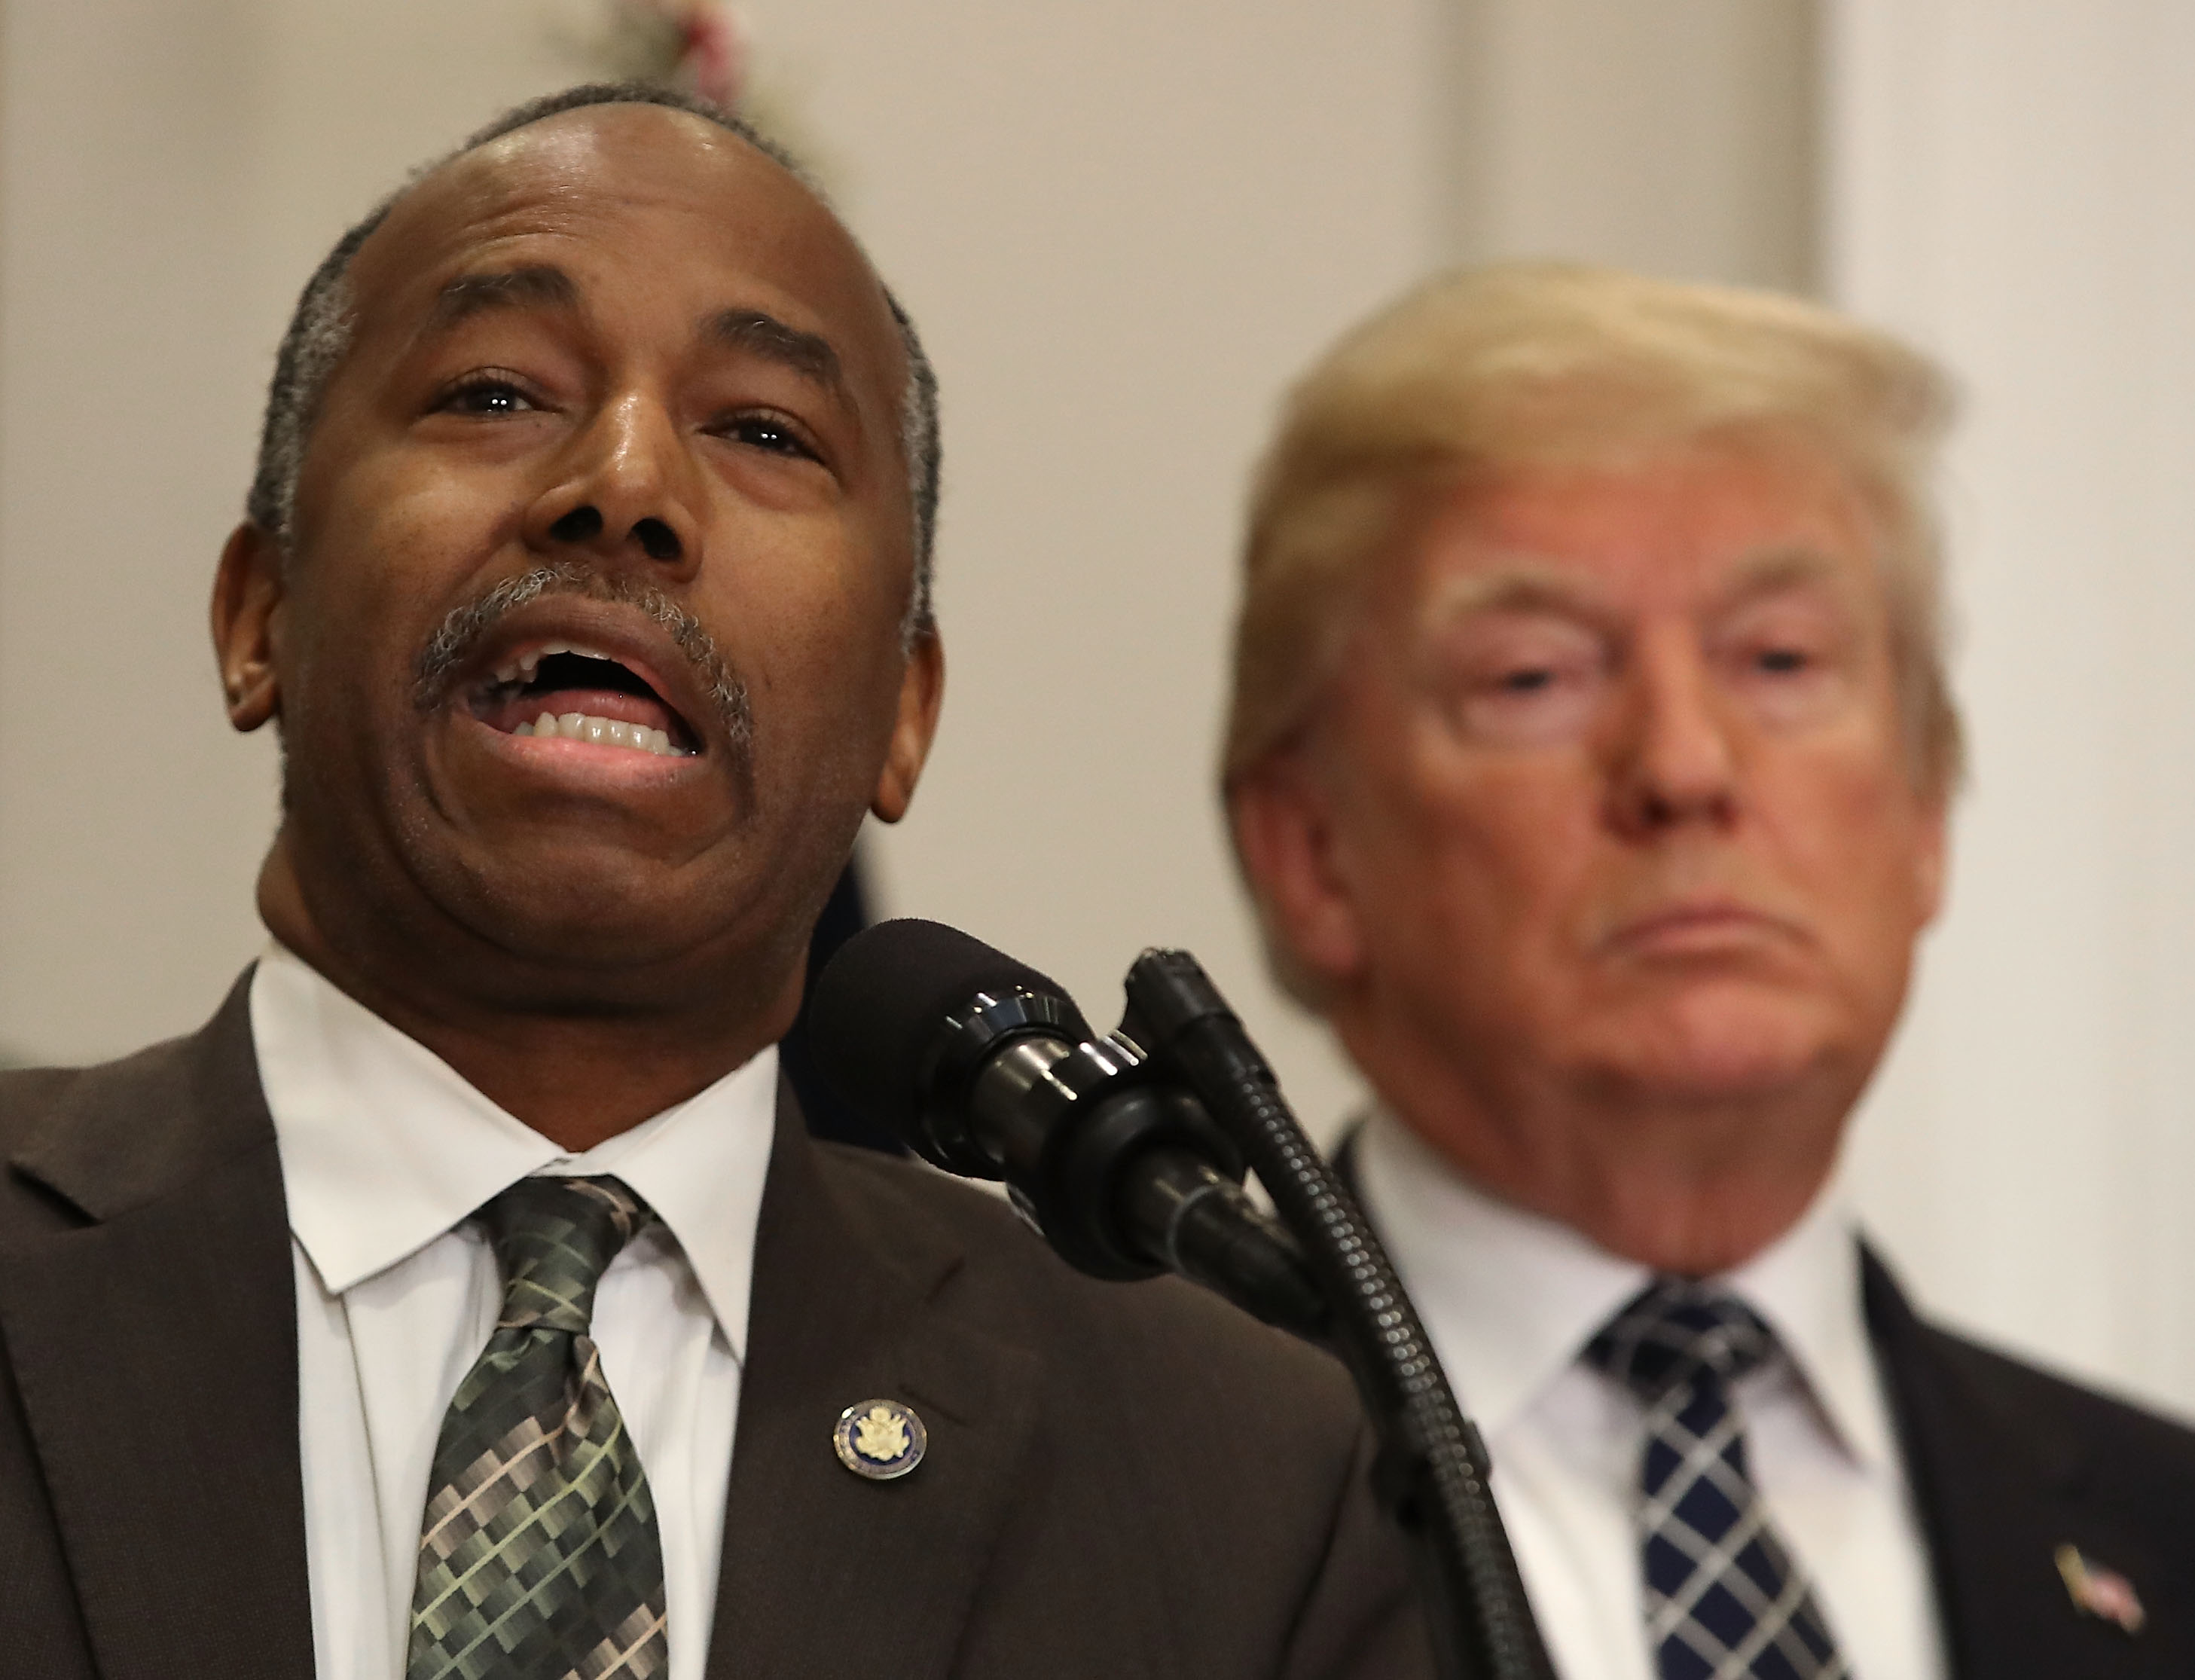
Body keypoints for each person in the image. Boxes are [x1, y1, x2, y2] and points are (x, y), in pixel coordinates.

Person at [0, 85, 1427, 1680]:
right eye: (491, 392)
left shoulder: (1243, 1473)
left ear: (904, 713)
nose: (625, 484)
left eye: (761, 430)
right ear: (259, 610)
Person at [1222, 263, 2195, 1679]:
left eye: (1779, 660)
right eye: (1534, 676)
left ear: (1925, 811)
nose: (1686, 766)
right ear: (1311, 849)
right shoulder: (1092, 1486)